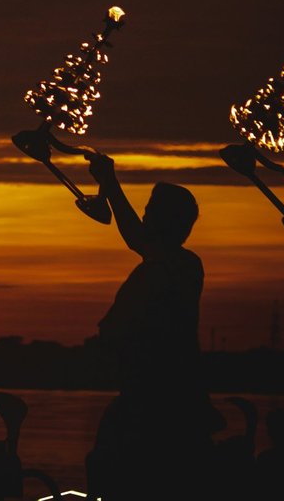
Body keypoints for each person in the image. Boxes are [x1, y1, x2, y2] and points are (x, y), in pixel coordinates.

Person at [83, 153, 218, 500]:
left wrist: (110, 183)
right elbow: (139, 240)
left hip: (158, 410)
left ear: (164, 222)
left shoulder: (171, 269)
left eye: (149, 211)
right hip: (164, 403)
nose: (142, 217)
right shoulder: (180, 265)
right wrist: (109, 182)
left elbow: (137, 240)